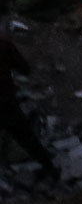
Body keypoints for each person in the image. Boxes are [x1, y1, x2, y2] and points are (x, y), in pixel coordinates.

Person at [0, 29, 59, 180]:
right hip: (6, 101)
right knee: (25, 137)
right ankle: (49, 167)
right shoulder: (4, 45)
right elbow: (25, 69)